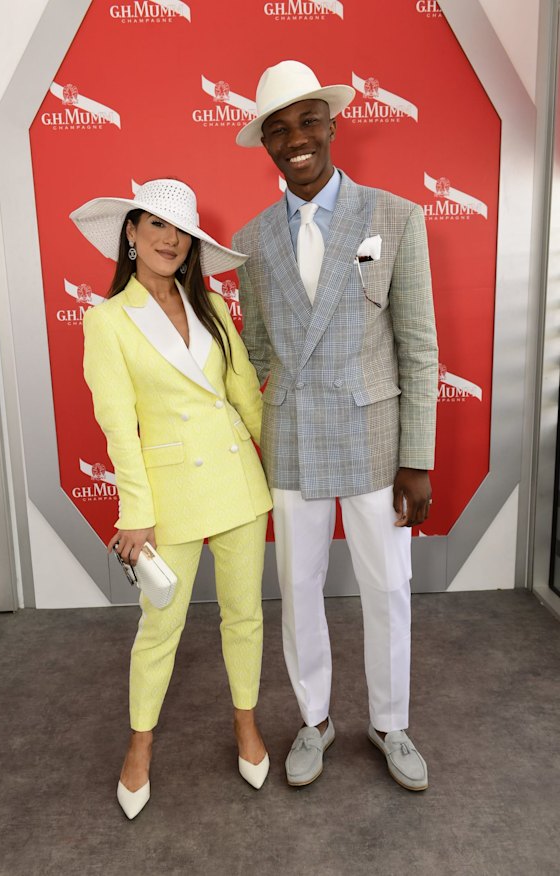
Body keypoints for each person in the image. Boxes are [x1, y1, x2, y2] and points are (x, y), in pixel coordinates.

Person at [233, 61, 438, 791]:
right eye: (279, 130)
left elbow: (418, 346)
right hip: (294, 441)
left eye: (308, 122)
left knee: (388, 589)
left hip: (377, 442)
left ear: (332, 124)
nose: (297, 140)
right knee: (299, 586)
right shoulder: (252, 241)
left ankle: (389, 722)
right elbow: (255, 347)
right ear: (265, 145)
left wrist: (417, 456)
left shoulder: (396, 216)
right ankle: (315, 719)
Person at [72, 178, 273, 819]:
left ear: (192, 244)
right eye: (154, 225)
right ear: (130, 234)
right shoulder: (106, 320)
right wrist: (137, 515)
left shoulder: (212, 310)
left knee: (245, 615)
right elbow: (117, 425)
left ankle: (246, 724)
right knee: (161, 626)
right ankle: (140, 746)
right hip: (169, 494)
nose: (168, 238)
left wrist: (291, 475)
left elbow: (246, 398)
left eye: (179, 229)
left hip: (240, 483)